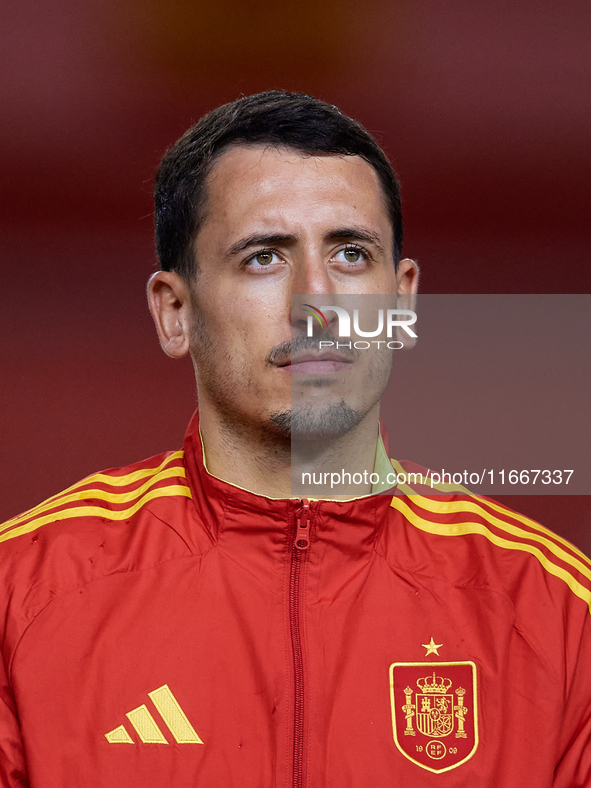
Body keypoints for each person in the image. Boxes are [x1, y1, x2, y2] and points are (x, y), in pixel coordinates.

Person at [0, 91, 589, 788]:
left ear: (401, 305)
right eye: (263, 258)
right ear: (173, 312)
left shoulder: (555, 614)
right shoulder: (22, 597)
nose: (317, 299)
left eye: (349, 254)